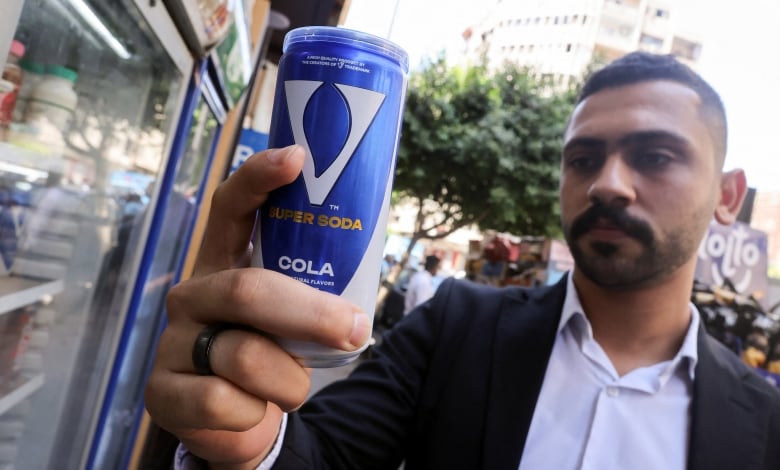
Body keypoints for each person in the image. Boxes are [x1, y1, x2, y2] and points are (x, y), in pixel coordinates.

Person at [144, 52, 780, 470]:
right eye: (583, 159)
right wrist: (240, 437)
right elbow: (317, 455)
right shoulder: (458, 327)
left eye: (655, 156)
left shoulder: (764, 424)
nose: (608, 184)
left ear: (727, 195)